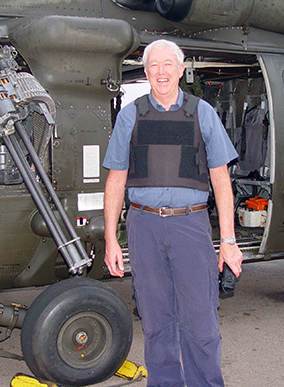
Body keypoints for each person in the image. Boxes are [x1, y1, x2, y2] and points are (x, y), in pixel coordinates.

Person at [103, 39, 243, 387]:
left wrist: (228, 242)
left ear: (181, 70)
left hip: (190, 225)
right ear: (145, 71)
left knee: (200, 322)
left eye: (169, 65)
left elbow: (221, 180)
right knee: (156, 322)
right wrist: (110, 238)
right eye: (154, 65)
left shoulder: (202, 113)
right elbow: (116, 180)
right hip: (143, 225)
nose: (161, 72)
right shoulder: (131, 115)